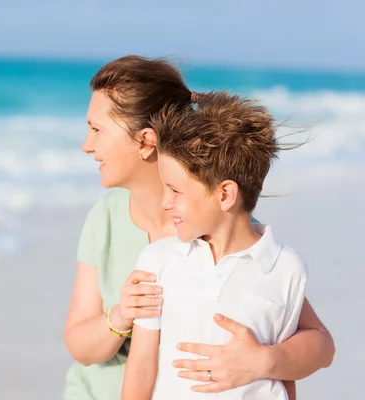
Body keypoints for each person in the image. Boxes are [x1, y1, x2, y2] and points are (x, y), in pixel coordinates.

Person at [64, 56, 335, 400]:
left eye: (97, 129)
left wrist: (266, 361)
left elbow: (311, 342)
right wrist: (122, 314)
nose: (86, 145)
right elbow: (79, 345)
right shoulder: (108, 218)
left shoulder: (230, 234)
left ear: (146, 141)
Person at [122, 91, 309, 399]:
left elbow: (285, 376)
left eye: (174, 190)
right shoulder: (157, 261)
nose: (165, 202)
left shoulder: (286, 269)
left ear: (225, 195)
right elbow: (141, 368)